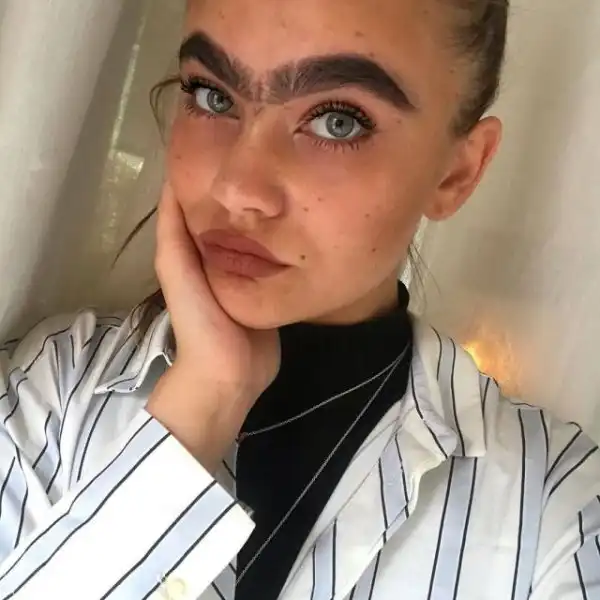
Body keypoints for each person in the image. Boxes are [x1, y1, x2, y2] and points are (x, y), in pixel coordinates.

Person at [0, 0, 599, 598]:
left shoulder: (559, 513)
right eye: (212, 96)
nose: (237, 188)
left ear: (456, 173)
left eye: (339, 121)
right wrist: (202, 406)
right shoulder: (53, 386)